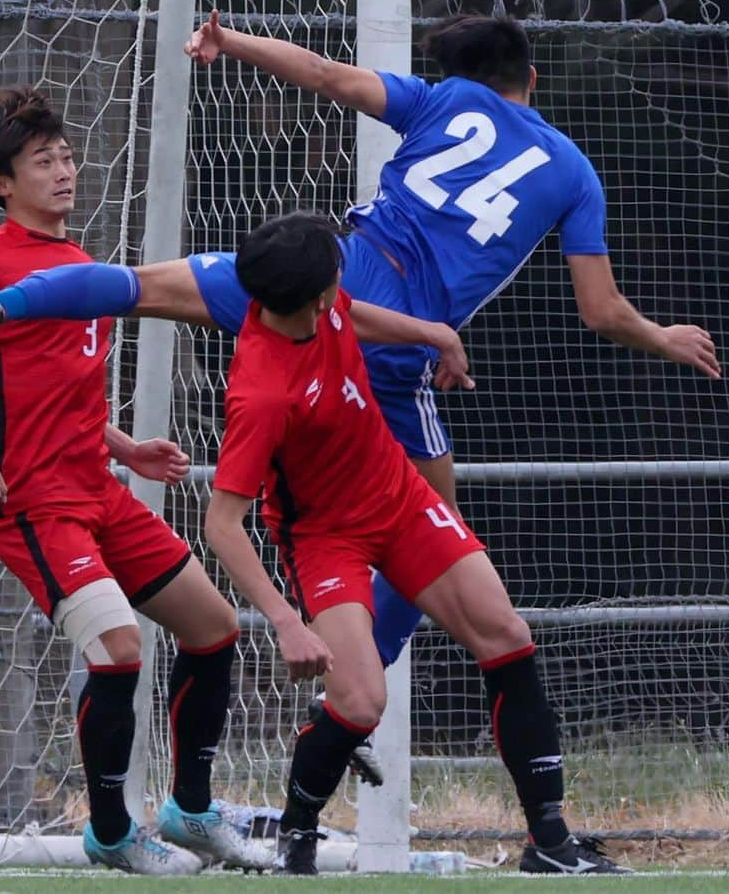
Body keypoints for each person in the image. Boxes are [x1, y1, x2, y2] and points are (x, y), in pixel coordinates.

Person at [0, 15, 719, 699]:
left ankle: (5, 306)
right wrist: (662, 336)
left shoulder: (442, 101)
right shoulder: (574, 172)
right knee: (436, 535)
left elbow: (324, 74)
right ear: (531, 80)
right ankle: (355, 691)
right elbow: (600, 311)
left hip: (311, 274)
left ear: (464, 77)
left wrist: (230, 40)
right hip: (382, 342)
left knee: (138, 286)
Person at [0, 84, 276, 875]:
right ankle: (111, 830)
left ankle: (193, 811)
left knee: (214, 627)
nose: (65, 170)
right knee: (116, 648)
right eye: (44, 160)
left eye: (67, 155)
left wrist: (126, 448)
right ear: (4, 183)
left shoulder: (82, 266)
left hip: (101, 489)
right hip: (35, 504)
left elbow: (58, 389)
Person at [204, 211, 629, 875]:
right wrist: (287, 624)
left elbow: (359, 314)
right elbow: (220, 524)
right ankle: (297, 832)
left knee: (507, 633)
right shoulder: (261, 390)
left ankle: (550, 841)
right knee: (362, 700)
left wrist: (434, 332)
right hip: (325, 538)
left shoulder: (318, 306)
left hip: (401, 501)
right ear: (311, 294)